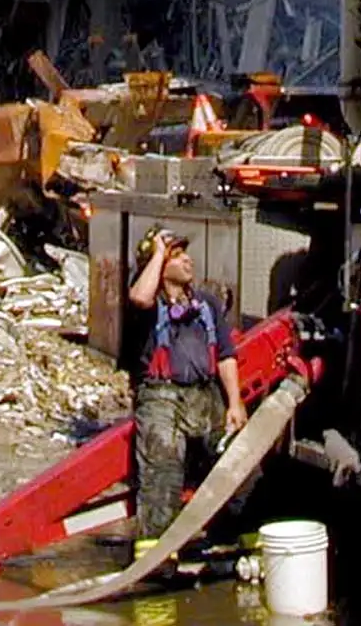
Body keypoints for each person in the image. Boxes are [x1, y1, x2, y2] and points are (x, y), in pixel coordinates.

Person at [127, 228, 246, 550]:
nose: (187, 260)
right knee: (162, 480)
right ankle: (156, 560)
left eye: (185, 254)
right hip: (161, 400)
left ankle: (232, 545)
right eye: (177, 256)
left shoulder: (206, 304)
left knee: (238, 467)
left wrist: (235, 403)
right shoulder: (147, 305)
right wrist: (157, 253)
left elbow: (226, 356)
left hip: (206, 397)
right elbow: (140, 297)